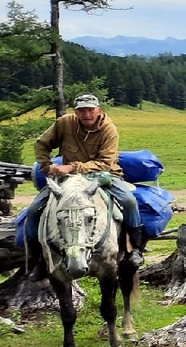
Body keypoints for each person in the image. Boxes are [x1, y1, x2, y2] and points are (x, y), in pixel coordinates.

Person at [25, 93, 146, 277]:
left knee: (129, 201)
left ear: (99, 110)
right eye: (82, 110)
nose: (86, 114)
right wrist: (46, 166)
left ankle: (135, 250)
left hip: (103, 174)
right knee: (34, 210)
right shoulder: (65, 123)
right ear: (76, 112)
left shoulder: (109, 128)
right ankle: (38, 260)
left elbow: (105, 162)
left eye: (90, 110)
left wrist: (71, 167)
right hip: (69, 179)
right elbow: (42, 144)